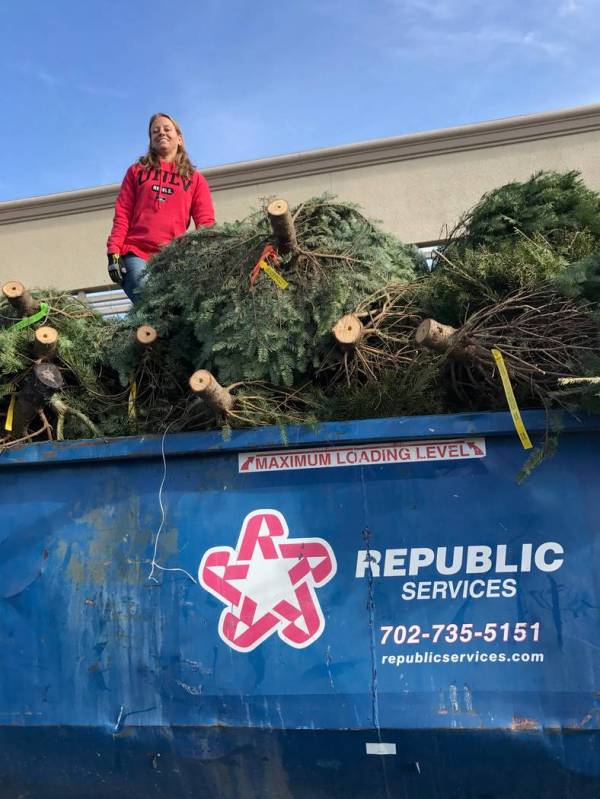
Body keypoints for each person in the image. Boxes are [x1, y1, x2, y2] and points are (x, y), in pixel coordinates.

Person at [106, 113, 215, 303]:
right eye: (155, 131)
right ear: (151, 141)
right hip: (136, 253)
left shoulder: (195, 179)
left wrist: (209, 254)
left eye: (167, 129)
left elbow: (205, 222)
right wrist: (113, 251)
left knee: (178, 308)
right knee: (151, 300)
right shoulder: (136, 171)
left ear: (179, 138)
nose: (161, 133)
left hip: (173, 259)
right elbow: (123, 213)